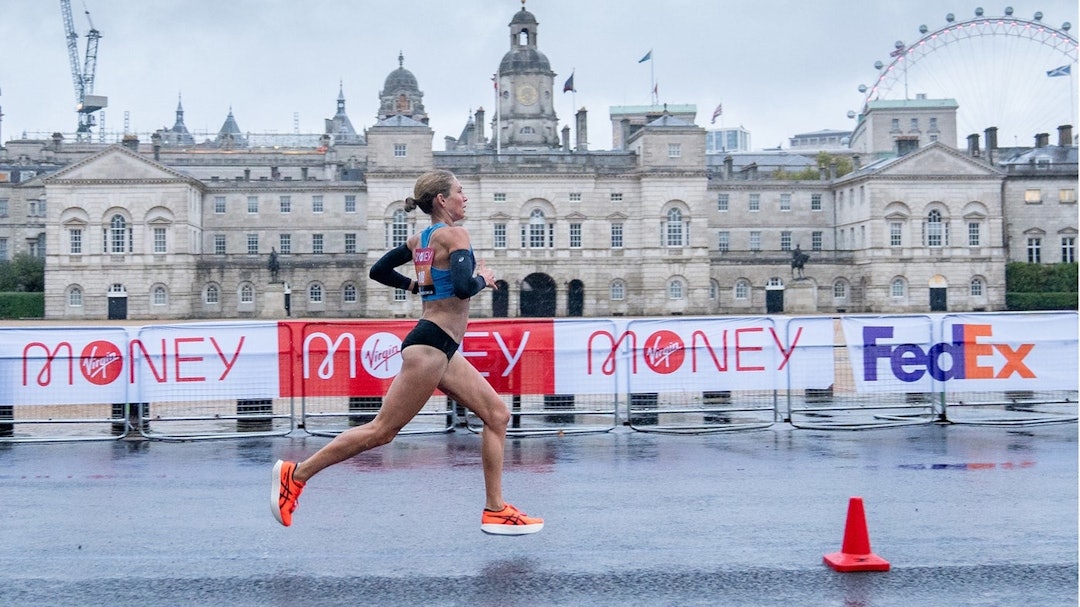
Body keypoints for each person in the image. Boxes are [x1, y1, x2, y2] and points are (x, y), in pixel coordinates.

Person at [271, 169, 543, 536]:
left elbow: (380, 270)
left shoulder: (420, 240)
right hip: (430, 347)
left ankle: (495, 509)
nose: (466, 198)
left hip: (440, 346)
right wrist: (484, 278)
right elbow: (463, 288)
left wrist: (414, 284)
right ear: (442, 200)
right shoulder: (455, 235)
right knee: (382, 431)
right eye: (460, 192)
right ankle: (296, 474)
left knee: (497, 415)